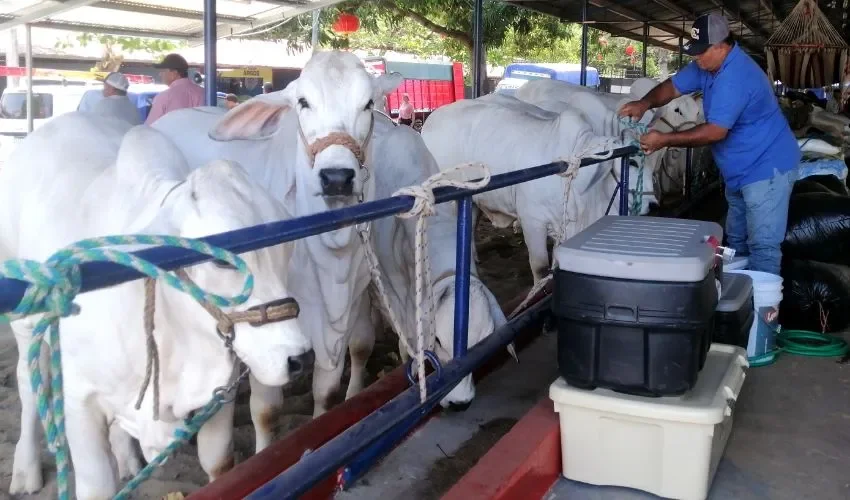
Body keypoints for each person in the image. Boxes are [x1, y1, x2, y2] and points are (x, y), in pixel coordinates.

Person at [619, 13, 800, 276]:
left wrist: (665, 140)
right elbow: (673, 86)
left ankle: (763, 314)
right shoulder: (707, 66)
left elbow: (716, 132)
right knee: (736, 243)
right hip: (738, 173)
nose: (696, 57)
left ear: (721, 46)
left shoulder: (736, 76)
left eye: (701, 52)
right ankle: (738, 299)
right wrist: (645, 102)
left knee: (763, 248)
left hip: (767, 170)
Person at [145, 53, 205, 125]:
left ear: (174, 73)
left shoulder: (164, 97)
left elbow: (149, 127)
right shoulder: (203, 92)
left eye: (163, 71)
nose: (160, 74)